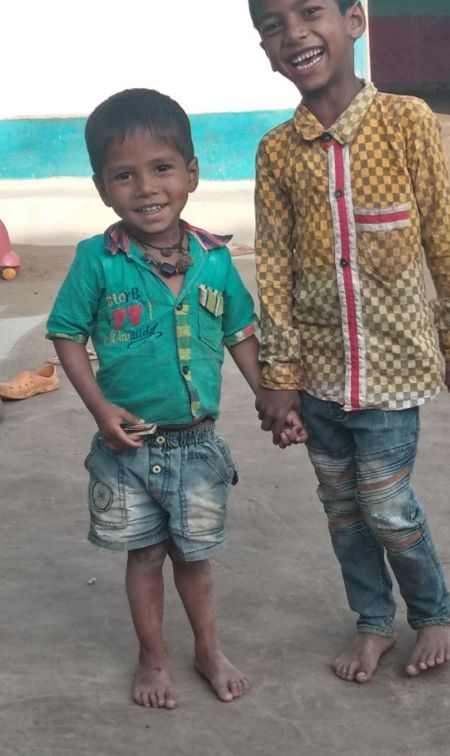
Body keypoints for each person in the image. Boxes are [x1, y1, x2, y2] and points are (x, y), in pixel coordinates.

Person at [46, 88, 306, 710]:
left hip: (198, 447)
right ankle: (153, 658)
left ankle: (208, 650)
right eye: (124, 175)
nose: (146, 188)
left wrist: (271, 398)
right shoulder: (97, 261)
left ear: (191, 173)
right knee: (144, 557)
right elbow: (66, 334)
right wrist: (100, 409)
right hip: (127, 447)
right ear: (102, 188)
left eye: (161, 168)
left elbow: (240, 333)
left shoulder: (214, 260)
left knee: (195, 560)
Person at [249, 0, 450, 683]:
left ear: (354, 20)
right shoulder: (276, 152)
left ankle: (433, 612)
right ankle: (374, 621)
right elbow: (275, 268)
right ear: (265, 50)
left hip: (392, 373)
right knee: (344, 513)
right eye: (272, 25)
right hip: (319, 380)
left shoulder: (406, 121)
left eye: (309, 11)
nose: (294, 33)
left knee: (386, 505)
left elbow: (442, 236)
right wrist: (280, 376)